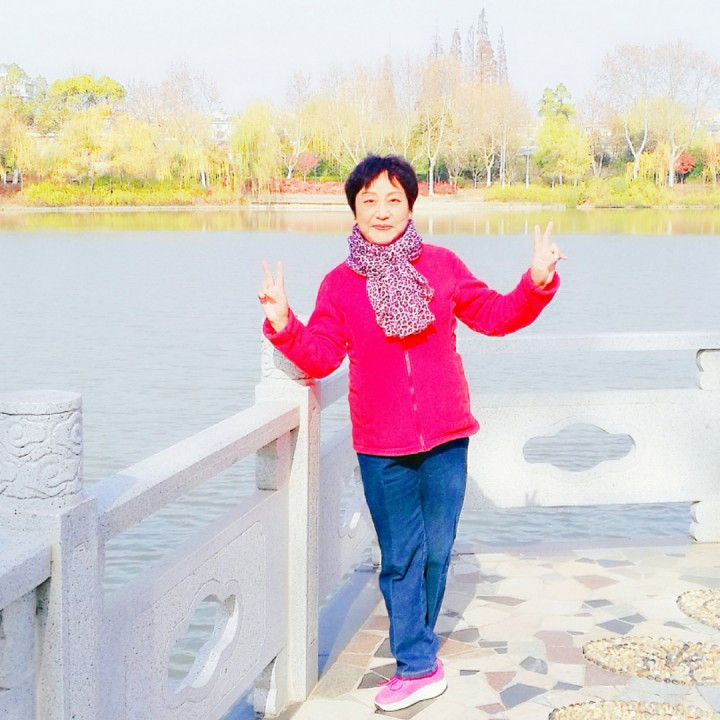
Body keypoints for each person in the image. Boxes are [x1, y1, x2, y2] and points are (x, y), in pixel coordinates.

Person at [258, 154, 563, 712]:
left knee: (437, 553)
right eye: (369, 200)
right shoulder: (340, 284)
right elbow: (322, 357)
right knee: (400, 557)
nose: (381, 211)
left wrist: (536, 284)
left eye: (393, 199)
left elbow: (495, 315)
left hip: (446, 436)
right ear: (353, 209)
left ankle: (417, 647)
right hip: (382, 446)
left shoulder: (442, 265)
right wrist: (284, 323)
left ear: (410, 205)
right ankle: (417, 663)